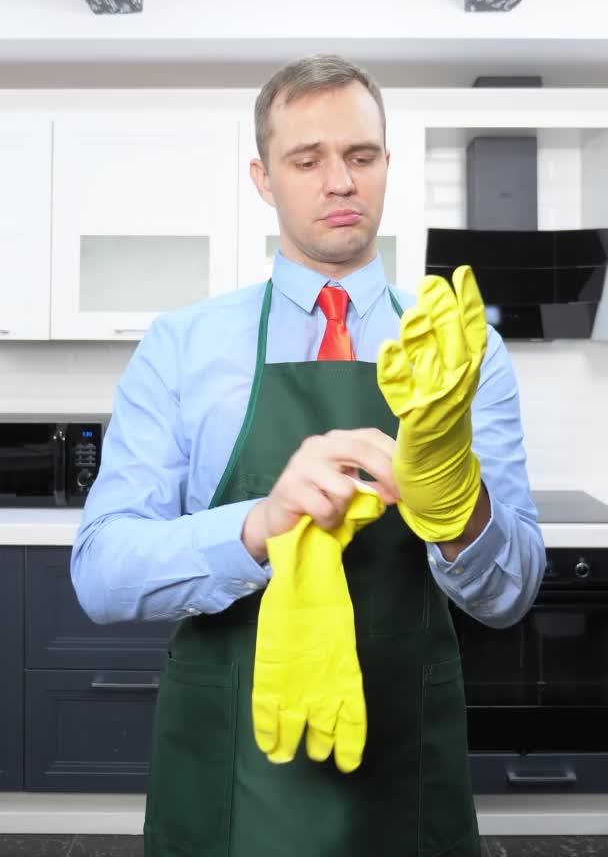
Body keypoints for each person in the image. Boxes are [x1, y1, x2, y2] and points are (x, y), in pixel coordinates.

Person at [71, 54, 546, 857]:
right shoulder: (183, 345)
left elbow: (510, 594)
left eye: (361, 156)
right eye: (307, 159)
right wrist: (258, 523)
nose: (340, 181)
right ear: (263, 177)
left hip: (404, 758)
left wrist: (452, 501)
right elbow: (101, 572)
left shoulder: (463, 350)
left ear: (387, 166)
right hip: (232, 756)